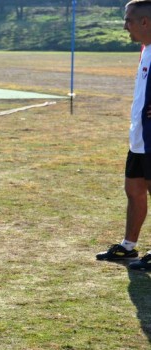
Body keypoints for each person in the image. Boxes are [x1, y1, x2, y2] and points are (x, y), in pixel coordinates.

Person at [97, 0, 151, 270]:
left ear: (145, 22)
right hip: (139, 138)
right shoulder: (145, 49)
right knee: (133, 190)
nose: (124, 25)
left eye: (128, 20)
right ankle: (128, 248)